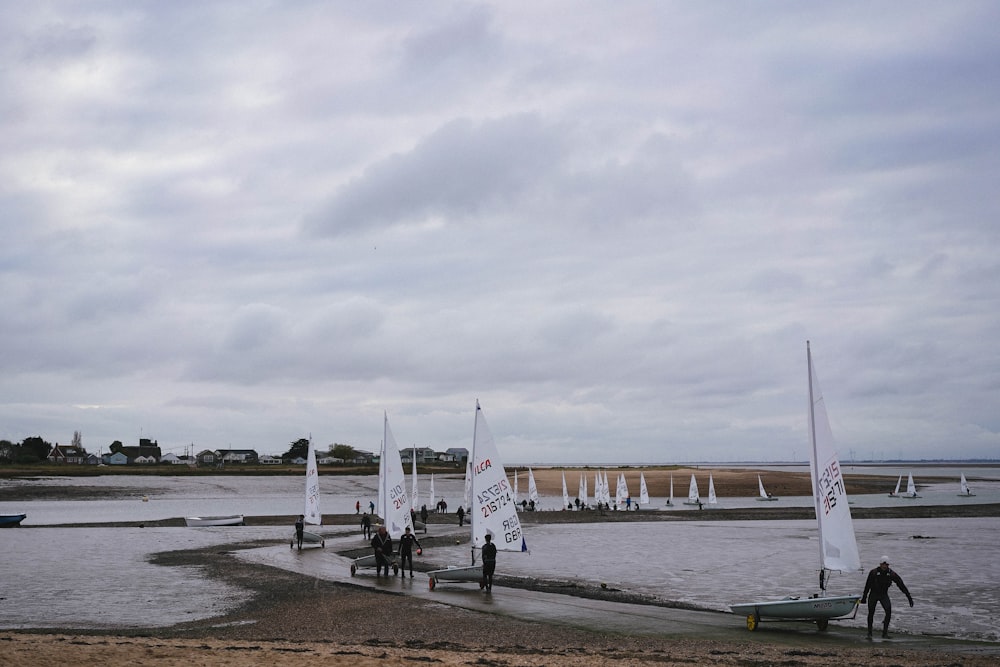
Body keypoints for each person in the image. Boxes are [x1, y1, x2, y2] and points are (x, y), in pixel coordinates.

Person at [861, 555, 913, 638]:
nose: (885, 566)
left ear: (888, 565)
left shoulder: (891, 574)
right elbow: (867, 585)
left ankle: (884, 633)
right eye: (883, 564)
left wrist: (909, 597)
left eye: (886, 565)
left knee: (888, 612)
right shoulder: (873, 572)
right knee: (871, 613)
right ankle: (869, 633)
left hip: (883, 595)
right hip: (873, 594)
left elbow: (901, 585)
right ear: (880, 564)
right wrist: (864, 597)